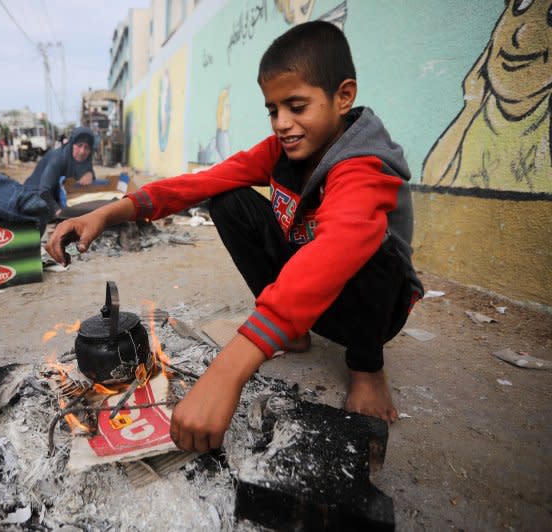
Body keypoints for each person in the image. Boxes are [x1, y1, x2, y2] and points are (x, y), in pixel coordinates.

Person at [46, 21, 423, 452]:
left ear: (344, 97)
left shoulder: (363, 169)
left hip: (368, 308)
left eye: (297, 107)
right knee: (226, 199)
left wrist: (227, 371)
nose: (282, 123)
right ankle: (291, 332)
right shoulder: (280, 152)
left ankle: (366, 367)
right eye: (273, 109)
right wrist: (107, 213)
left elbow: (330, 258)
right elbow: (198, 184)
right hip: (306, 293)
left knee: (373, 250)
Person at [24, 126, 95, 217]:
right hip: (35, 194)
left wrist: (90, 173)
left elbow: (92, 184)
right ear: (72, 144)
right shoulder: (58, 158)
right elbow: (43, 191)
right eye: (79, 145)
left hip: (59, 196)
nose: (82, 151)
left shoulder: (86, 160)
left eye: (87, 148)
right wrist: (58, 211)